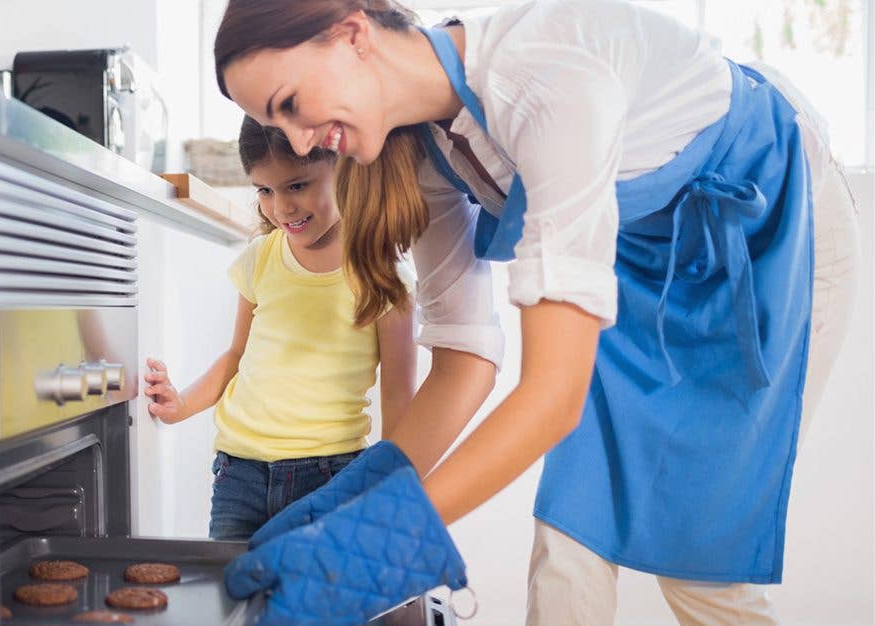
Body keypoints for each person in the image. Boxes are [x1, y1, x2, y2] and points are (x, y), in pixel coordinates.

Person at [212, 0, 861, 624]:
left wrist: (372, 542)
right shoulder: (424, 151)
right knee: (569, 539)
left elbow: (553, 398)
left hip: (768, 240)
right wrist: (346, 501)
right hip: (638, 263)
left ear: (353, 35)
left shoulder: (548, 82)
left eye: (291, 105)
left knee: (699, 567)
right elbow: (464, 361)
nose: (301, 138)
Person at [143, 116, 419, 541]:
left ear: (344, 168)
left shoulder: (383, 276)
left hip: (330, 474)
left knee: (316, 603)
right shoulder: (261, 257)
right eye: (265, 190)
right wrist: (181, 404)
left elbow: (399, 392)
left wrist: (392, 486)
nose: (281, 207)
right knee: (234, 600)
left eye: (297, 185)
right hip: (239, 472)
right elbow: (236, 356)